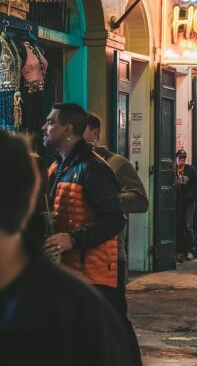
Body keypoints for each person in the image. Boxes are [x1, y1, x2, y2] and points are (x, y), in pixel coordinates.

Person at [0, 130, 132, 366]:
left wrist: (74, 238)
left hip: (98, 266)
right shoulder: (58, 167)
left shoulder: (74, 314)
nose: (45, 128)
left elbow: (115, 217)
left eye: (52, 123)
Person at [84, 112, 148, 366]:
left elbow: (140, 201)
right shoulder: (67, 164)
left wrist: (107, 201)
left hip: (110, 254)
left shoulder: (116, 163)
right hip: (80, 254)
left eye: (80, 131)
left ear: (95, 134)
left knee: (115, 317)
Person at [175, 149, 197, 261]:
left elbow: (196, 185)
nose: (182, 160)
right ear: (176, 158)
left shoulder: (190, 170)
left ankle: (190, 250)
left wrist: (190, 195)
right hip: (177, 202)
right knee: (178, 225)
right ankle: (180, 250)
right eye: (180, 157)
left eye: (184, 158)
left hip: (189, 202)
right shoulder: (173, 170)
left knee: (188, 226)